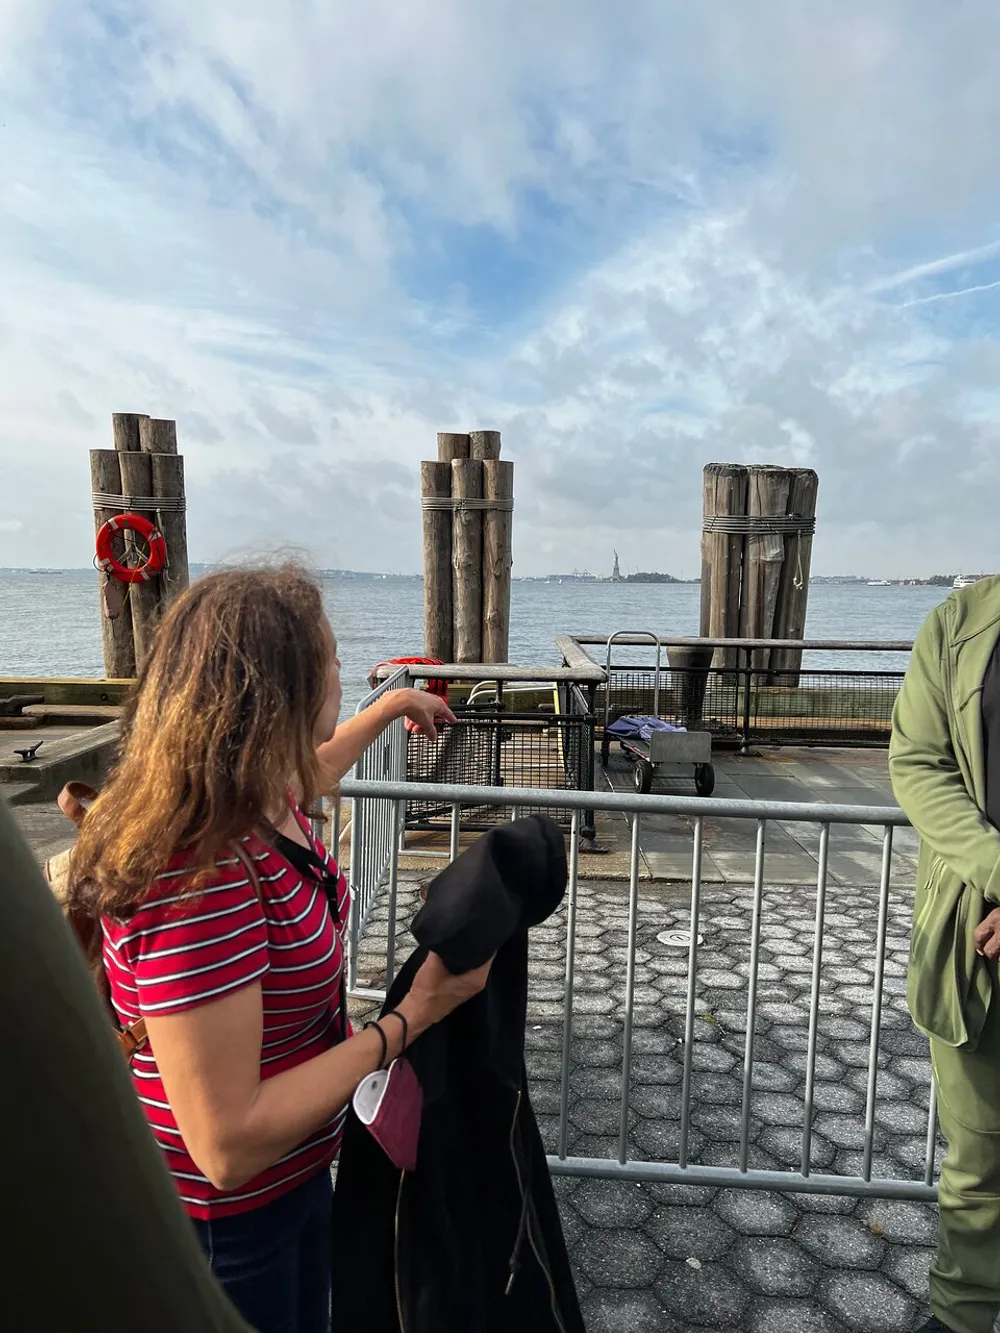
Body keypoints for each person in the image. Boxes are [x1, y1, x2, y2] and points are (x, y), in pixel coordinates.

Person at [70, 564, 490, 1333]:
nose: (340, 672)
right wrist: (409, 1018)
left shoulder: (249, 789)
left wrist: (395, 704)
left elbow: (318, 768)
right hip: (223, 1225)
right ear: (279, 697)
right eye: (331, 661)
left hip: (287, 1185)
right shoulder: (205, 874)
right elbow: (227, 1143)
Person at [889, 575, 1000, 1333]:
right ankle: (960, 1316)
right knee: (977, 1166)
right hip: (977, 947)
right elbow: (918, 763)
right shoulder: (959, 621)